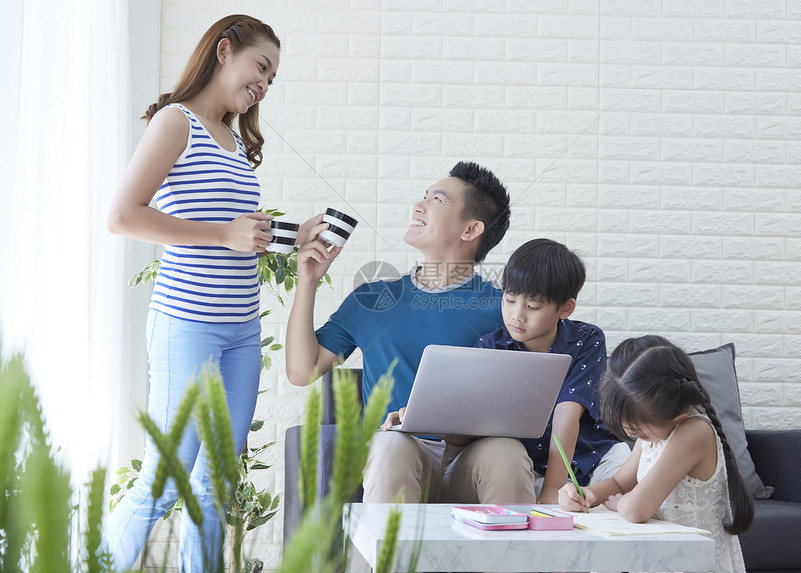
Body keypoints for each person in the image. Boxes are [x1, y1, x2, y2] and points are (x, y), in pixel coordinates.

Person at [105, 15, 318, 572]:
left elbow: (234, 234)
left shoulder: (233, 139)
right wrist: (226, 234)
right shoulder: (175, 122)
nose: (265, 85)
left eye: (272, 78)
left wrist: (291, 237)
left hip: (242, 330)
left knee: (214, 482)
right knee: (166, 476)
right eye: (261, 68)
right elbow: (123, 216)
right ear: (224, 51)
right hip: (187, 324)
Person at [286, 161, 536, 504]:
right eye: (423, 197)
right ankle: (389, 559)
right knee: (390, 447)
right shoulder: (371, 299)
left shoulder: (504, 309)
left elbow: (525, 398)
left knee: (507, 453)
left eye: (437, 200)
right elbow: (302, 371)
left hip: (471, 457)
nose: (419, 206)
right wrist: (308, 282)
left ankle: (512, 554)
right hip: (397, 450)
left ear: (470, 230)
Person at [559, 335, 754, 573]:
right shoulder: (655, 434)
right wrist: (587, 494)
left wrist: (622, 503)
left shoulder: (693, 431)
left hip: (690, 561)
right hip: (662, 555)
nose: (635, 437)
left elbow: (635, 509)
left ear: (676, 416)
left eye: (638, 430)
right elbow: (621, 482)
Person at [473, 238, 630, 505]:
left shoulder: (587, 339)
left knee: (632, 493)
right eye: (509, 300)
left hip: (596, 456)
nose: (517, 316)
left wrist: (552, 491)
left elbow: (567, 411)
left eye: (533, 307)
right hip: (532, 465)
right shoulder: (490, 347)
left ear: (565, 308)